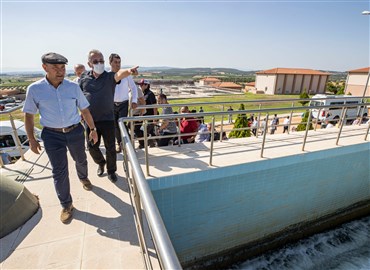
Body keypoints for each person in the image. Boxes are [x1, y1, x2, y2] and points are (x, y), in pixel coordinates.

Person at [23, 52, 98, 223]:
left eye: (62, 67)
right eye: (55, 68)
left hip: (75, 131)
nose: (60, 71)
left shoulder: (72, 87)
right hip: (51, 135)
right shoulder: (35, 89)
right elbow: (28, 116)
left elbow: (84, 110)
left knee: (81, 159)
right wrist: (32, 140)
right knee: (59, 170)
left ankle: (83, 176)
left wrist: (92, 129)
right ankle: (66, 204)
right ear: (45, 68)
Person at [79, 49, 138, 183]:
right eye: (96, 61)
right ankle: (101, 163)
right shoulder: (83, 78)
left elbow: (119, 74)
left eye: (101, 61)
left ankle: (111, 171)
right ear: (89, 64)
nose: (99, 63)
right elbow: (78, 96)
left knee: (110, 147)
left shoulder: (109, 77)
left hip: (107, 119)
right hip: (90, 120)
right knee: (92, 146)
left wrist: (129, 71)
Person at [109, 53, 138, 153]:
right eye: (115, 62)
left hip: (123, 104)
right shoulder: (108, 75)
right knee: (115, 125)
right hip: (111, 104)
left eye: (119, 62)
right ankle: (120, 143)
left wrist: (134, 101)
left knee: (121, 123)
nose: (118, 64)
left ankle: (128, 143)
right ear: (110, 63)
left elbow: (133, 88)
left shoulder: (126, 75)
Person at [139, 79, 157, 147]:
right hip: (146, 116)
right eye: (140, 84)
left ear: (146, 85)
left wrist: (154, 118)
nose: (140, 86)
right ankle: (153, 142)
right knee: (149, 131)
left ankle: (153, 142)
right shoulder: (143, 93)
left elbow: (155, 106)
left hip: (151, 116)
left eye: (142, 84)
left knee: (147, 130)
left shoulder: (150, 94)